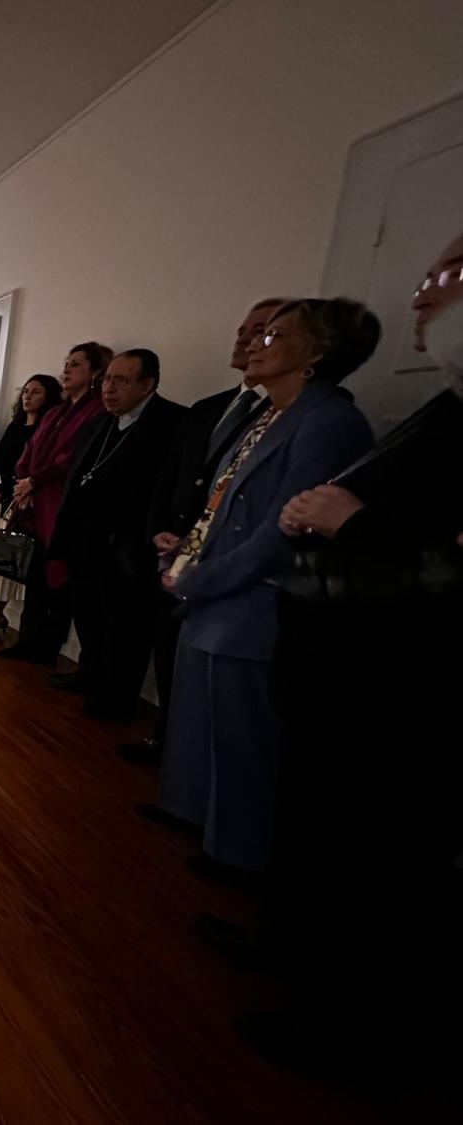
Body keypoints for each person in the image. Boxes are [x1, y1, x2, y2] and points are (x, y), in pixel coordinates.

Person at [204, 235, 463, 1070]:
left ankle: (349, 1031)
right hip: (348, 659)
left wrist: (347, 522)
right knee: (316, 824)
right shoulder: (448, 407)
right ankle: (289, 953)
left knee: (378, 858)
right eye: (425, 279)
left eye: (446, 280)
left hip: (408, 680)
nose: (422, 296)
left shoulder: (333, 417)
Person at [156, 299, 377, 878]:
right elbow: (223, 503)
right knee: (204, 730)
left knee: (245, 747)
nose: (255, 343)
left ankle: (241, 859)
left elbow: (285, 530)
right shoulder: (270, 414)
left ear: (316, 355)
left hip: (256, 603)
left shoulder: (329, 419)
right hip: (215, 595)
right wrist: (185, 553)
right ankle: (201, 823)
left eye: (274, 335)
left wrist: (199, 578)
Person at [124, 299, 285, 765]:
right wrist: (159, 530)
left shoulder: (282, 415)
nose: (245, 340)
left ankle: (189, 761)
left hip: (223, 562)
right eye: (243, 330)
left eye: (262, 332)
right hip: (172, 552)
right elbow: (170, 477)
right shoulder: (208, 407)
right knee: (171, 653)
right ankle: (168, 741)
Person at [46, 349, 187, 719]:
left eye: (120, 381)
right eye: (106, 379)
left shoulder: (173, 422)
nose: (108, 388)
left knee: (126, 624)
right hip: (85, 538)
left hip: (130, 545)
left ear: (147, 385)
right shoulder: (99, 423)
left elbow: (167, 488)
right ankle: (89, 672)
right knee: (88, 612)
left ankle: (117, 696)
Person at [0, 343, 112, 662]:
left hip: (59, 505)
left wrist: (35, 481)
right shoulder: (55, 412)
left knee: (59, 579)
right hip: (34, 502)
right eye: (66, 363)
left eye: (75, 364)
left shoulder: (97, 412)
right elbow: (29, 450)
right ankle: (28, 638)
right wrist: (25, 482)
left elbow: (73, 458)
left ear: (94, 373)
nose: (66, 369)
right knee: (35, 578)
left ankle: (48, 646)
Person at [0, 375, 62, 638]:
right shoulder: (15, 427)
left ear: (48, 396)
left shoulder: (45, 431)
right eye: (26, 391)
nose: (28, 396)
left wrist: (4, 490)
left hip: (18, 501)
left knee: (4, 563)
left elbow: (29, 470)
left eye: (36, 392)